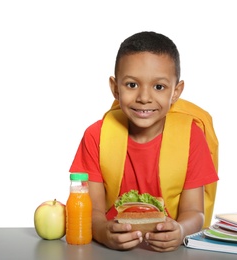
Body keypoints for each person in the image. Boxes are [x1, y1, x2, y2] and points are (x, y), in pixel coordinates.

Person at [69, 31, 219, 252]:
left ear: (176, 92)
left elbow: (194, 212)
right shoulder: (96, 136)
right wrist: (103, 232)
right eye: (131, 85)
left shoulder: (191, 137)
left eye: (159, 87)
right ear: (115, 88)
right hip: (107, 252)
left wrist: (180, 231)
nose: (144, 97)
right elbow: (94, 211)